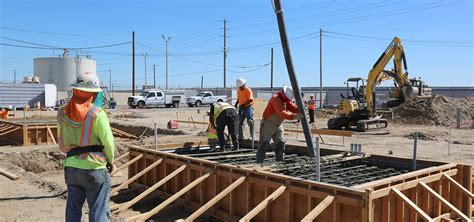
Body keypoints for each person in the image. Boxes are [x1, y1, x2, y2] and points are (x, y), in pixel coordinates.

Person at [57, 72, 115, 222]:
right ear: (92, 95)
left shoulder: (63, 113)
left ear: (75, 91)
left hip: (71, 168)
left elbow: (62, 146)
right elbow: (108, 142)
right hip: (93, 168)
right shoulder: (97, 113)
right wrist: (110, 161)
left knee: (73, 211)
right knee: (98, 211)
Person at [257, 86, 300, 163]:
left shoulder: (285, 99)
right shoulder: (275, 99)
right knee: (265, 143)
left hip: (278, 124)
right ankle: (259, 162)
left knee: (281, 142)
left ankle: (279, 161)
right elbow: (281, 114)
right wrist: (294, 116)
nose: (288, 101)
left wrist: (299, 109)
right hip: (268, 124)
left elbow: (291, 106)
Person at [235, 78, 254, 142]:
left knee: (250, 121)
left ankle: (252, 136)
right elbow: (238, 99)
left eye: (241, 87)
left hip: (248, 107)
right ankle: (241, 136)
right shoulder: (239, 91)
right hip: (241, 107)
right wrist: (236, 104)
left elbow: (250, 99)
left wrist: (243, 105)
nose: (240, 88)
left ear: (244, 85)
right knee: (240, 122)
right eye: (239, 87)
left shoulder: (248, 90)